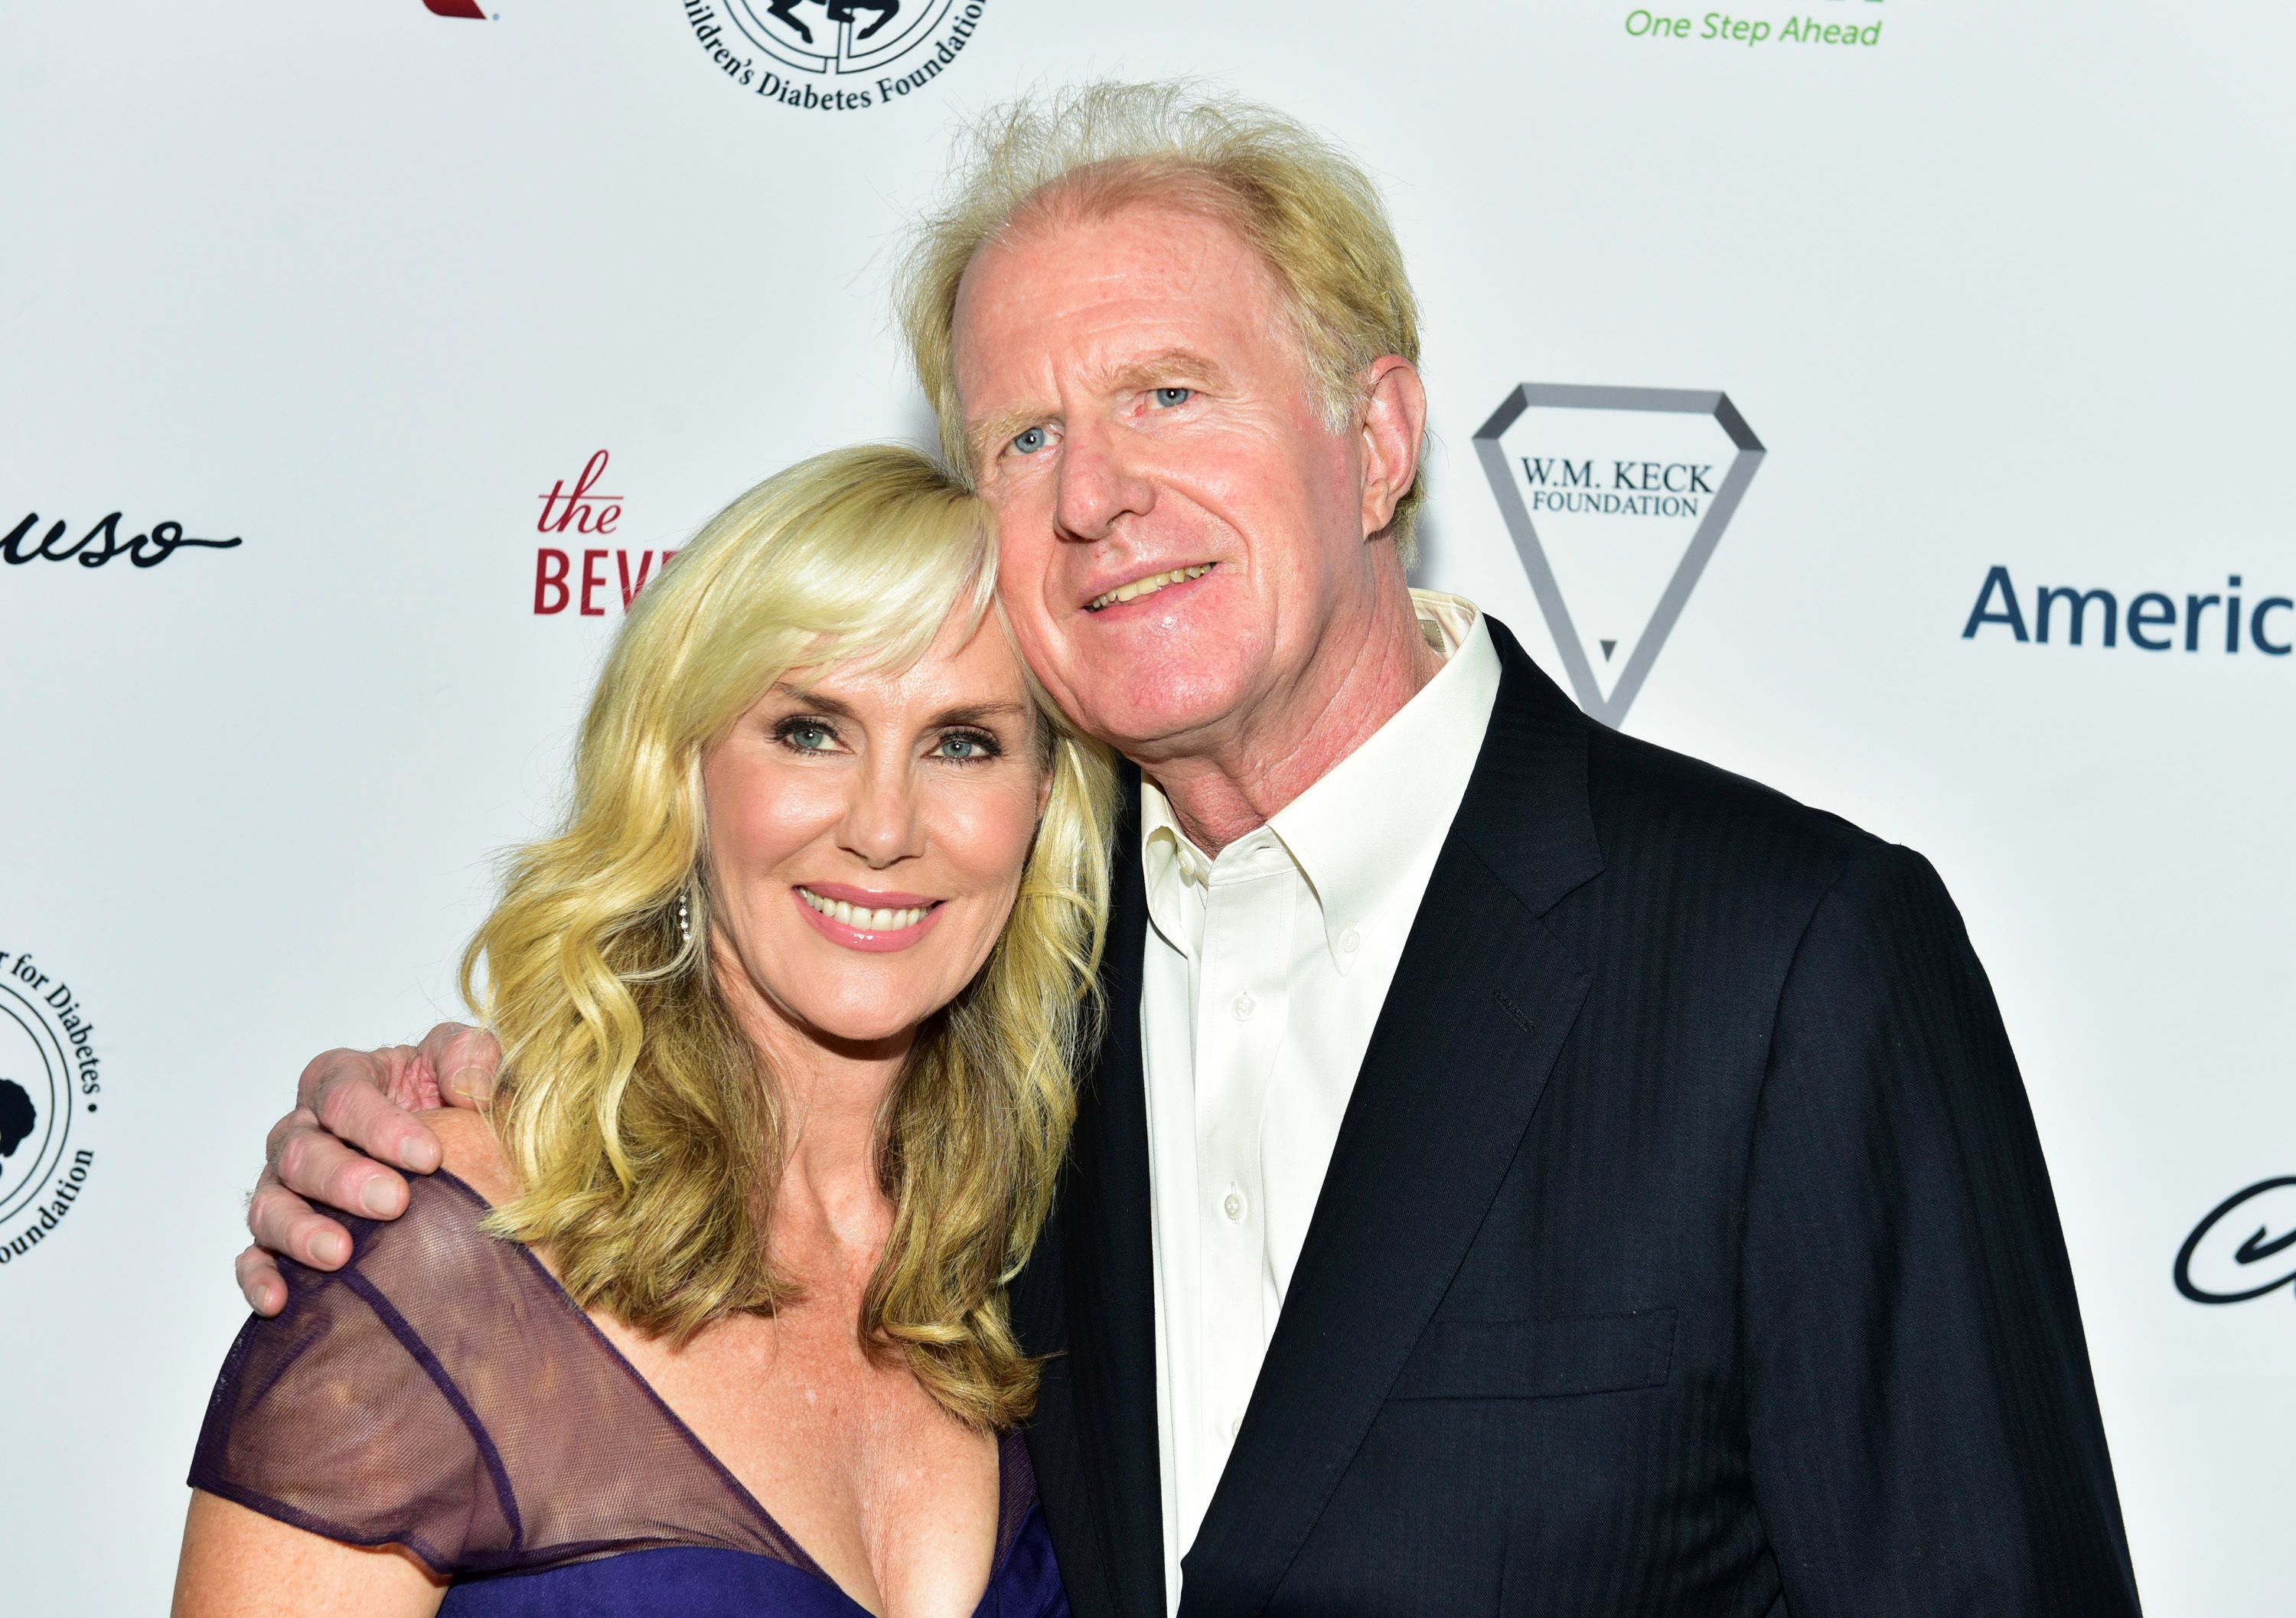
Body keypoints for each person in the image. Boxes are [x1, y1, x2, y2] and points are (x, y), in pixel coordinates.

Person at [230, 83, 2144, 1617]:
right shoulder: (987, 999)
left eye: (1167, 393)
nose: (1100, 497)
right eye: (1026, 438)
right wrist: (414, 1146)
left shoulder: (1789, 962)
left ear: (1378, 435)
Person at [175, 445, 1116, 1616]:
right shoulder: (450, 1247)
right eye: (811, 730)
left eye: (964, 741)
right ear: (682, 773)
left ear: (1042, 804)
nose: (885, 826)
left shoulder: (1055, 1265)